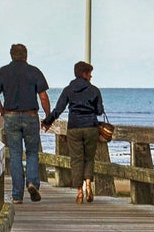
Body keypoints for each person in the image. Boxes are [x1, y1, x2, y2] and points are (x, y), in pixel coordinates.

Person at [0, 43, 50, 203]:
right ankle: (32, 183)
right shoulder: (34, 71)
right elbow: (43, 97)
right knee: (32, 153)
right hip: (30, 116)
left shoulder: (3, 72)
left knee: (15, 155)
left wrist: (3, 112)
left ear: (11, 55)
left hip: (11, 116)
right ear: (26, 55)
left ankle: (17, 195)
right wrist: (48, 117)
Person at [43, 60, 107, 203]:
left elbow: (58, 110)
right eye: (90, 74)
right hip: (91, 127)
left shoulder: (68, 89)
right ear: (84, 74)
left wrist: (47, 122)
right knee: (89, 158)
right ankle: (89, 184)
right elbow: (99, 111)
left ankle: (79, 191)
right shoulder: (94, 90)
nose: (91, 77)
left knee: (76, 160)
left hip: (74, 128)